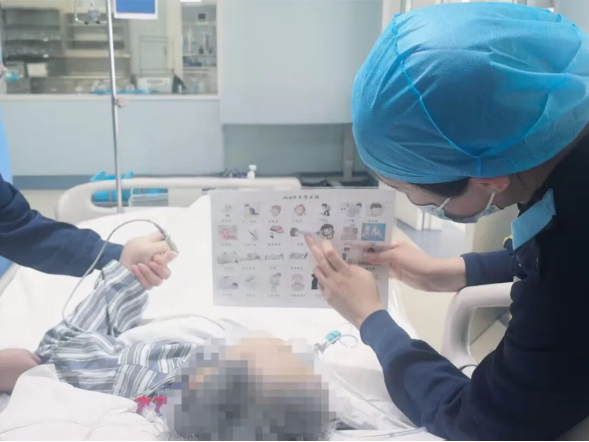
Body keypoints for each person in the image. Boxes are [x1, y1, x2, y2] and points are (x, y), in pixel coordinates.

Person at [307, 3, 589, 441]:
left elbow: (479, 423)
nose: (412, 202)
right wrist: (446, 271)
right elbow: (541, 244)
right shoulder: (566, 139)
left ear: (488, 180)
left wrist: (372, 320)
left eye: (409, 192)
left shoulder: (569, 272)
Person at [0, 260, 333, 440]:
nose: (286, 345)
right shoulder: (292, 423)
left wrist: (127, 279)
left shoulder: (144, 377)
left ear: (202, 377)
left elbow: (63, 350)